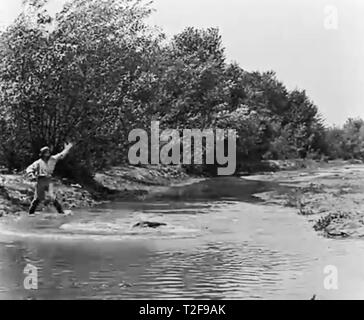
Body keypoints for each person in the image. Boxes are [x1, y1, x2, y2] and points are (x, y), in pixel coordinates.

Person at [26, 142, 73, 215]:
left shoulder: (53, 159)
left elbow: (61, 154)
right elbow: (29, 168)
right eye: (45, 153)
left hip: (49, 180)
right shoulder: (38, 162)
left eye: (47, 152)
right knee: (37, 198)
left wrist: (67, 148)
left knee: (52, 197)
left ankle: (61, 212)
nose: (47, 154)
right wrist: (31, 175)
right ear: (42, 154)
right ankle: (30, 213)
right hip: (40, 181)